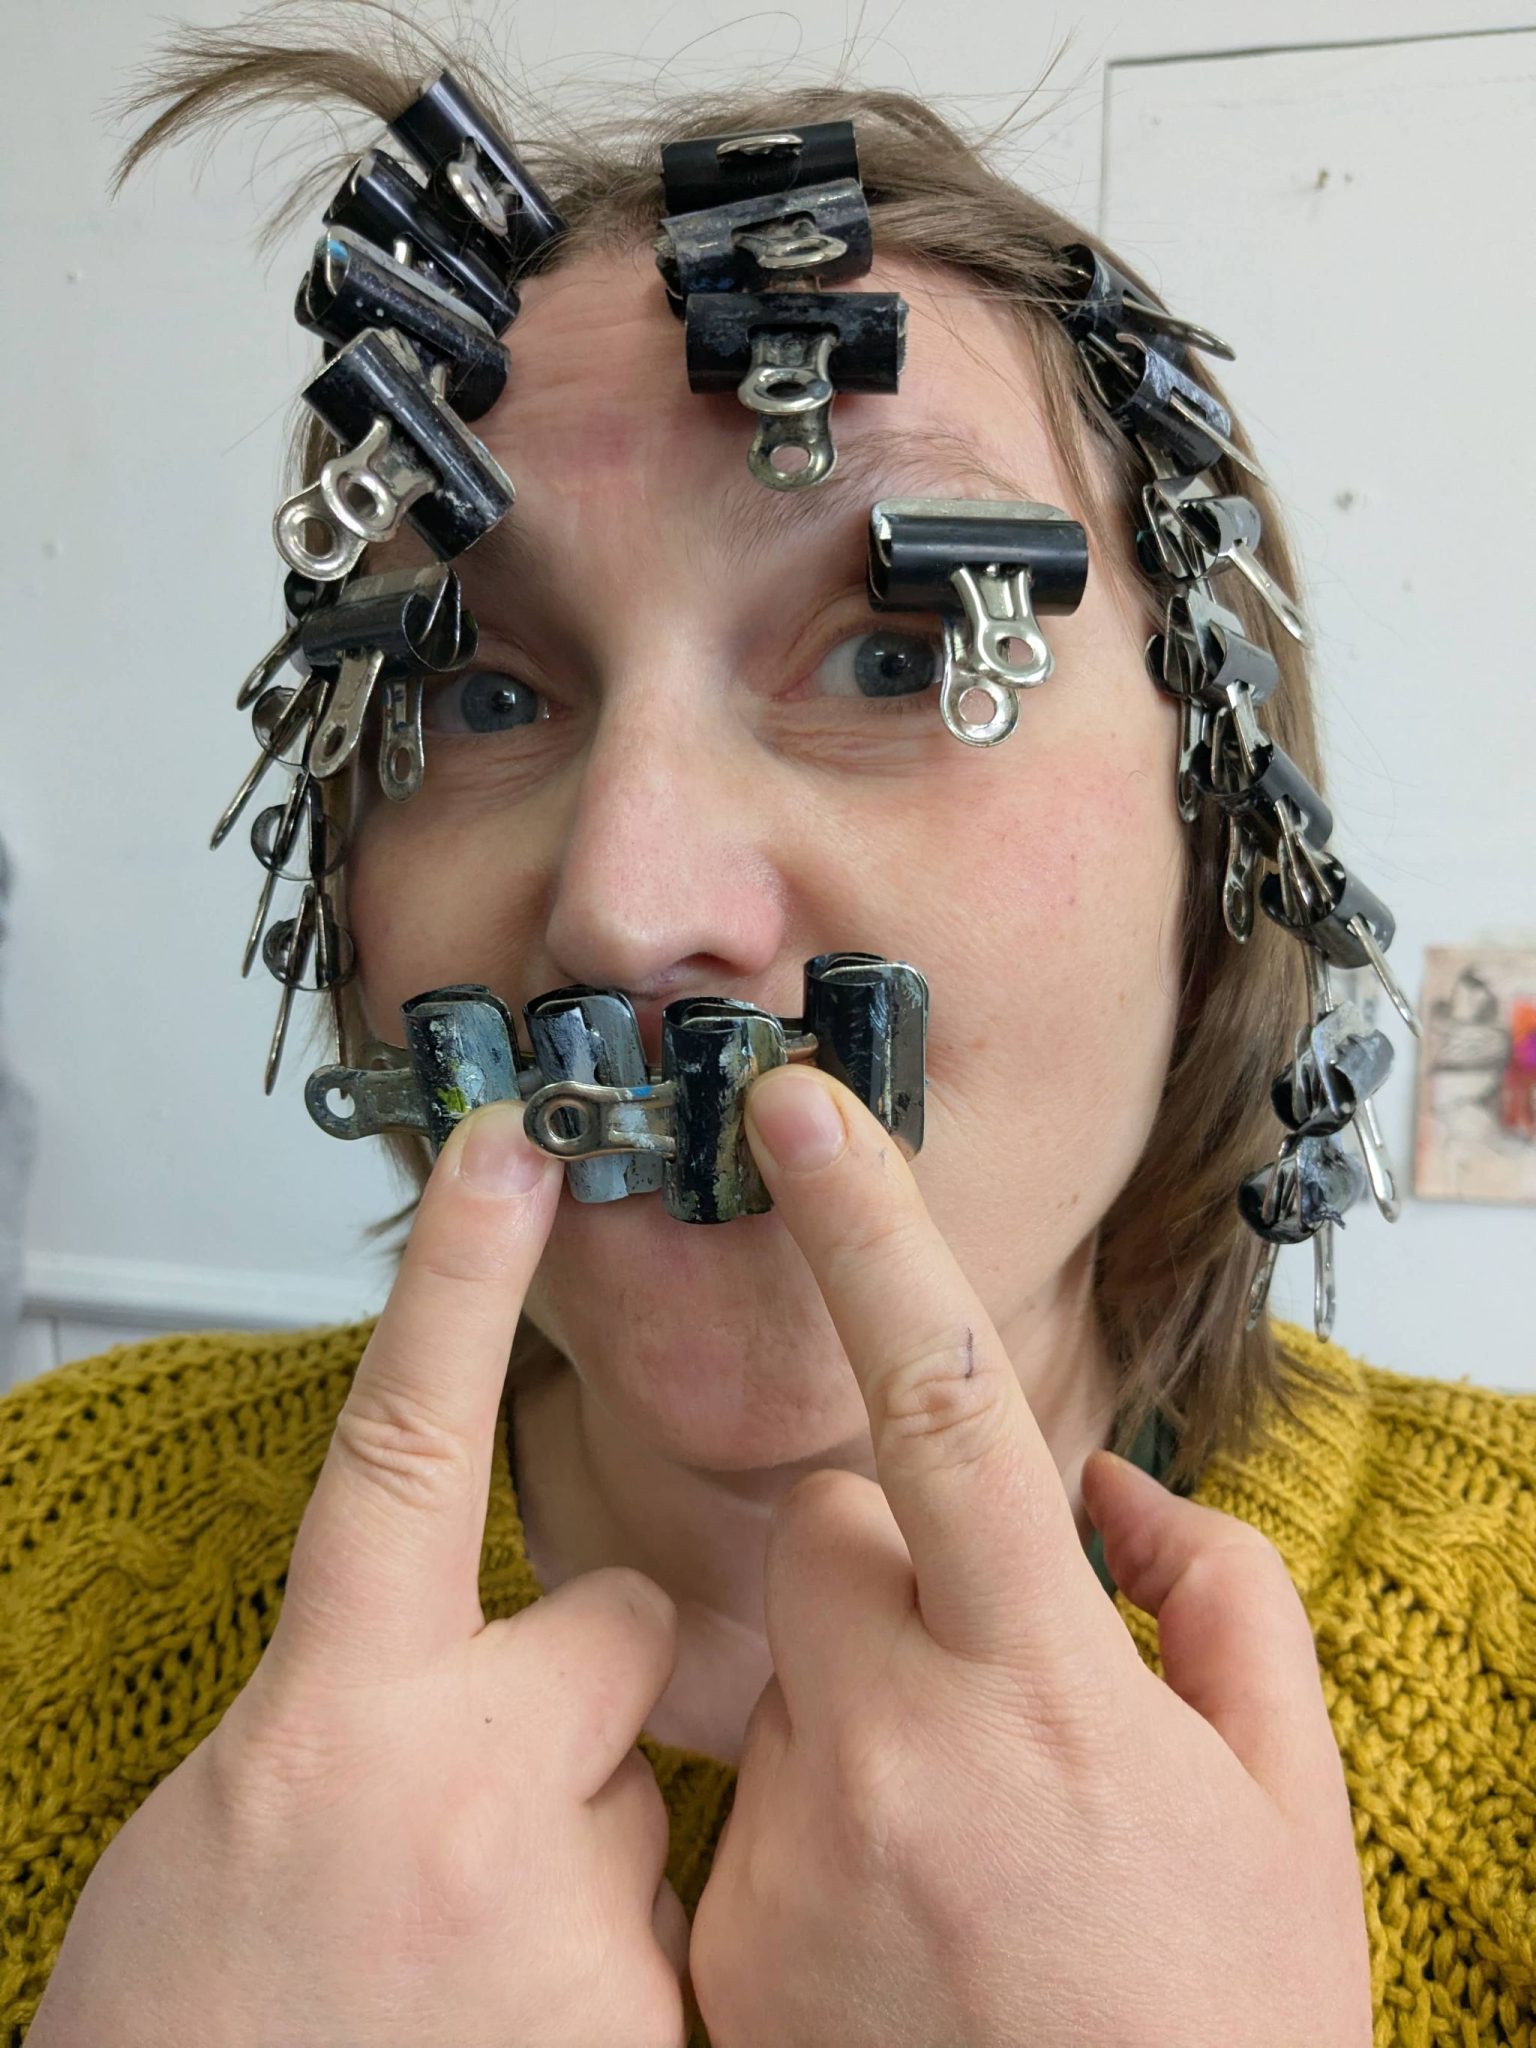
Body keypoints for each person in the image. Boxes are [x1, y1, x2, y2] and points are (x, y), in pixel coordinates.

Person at [4, 10, 1532, 2046]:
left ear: (1224, 834)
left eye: (892, 657)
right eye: (483, 696)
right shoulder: (31, 1542)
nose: (622, 908)